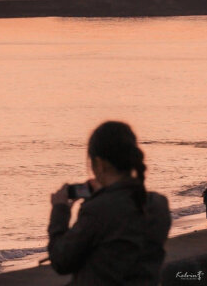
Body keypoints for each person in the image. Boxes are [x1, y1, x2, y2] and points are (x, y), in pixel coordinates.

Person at [48, 121, 171, 285]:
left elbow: (61, 260)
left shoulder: (99, 209)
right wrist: (103, 196)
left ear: (99, 164)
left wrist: (60, 210)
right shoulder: (158, 204)